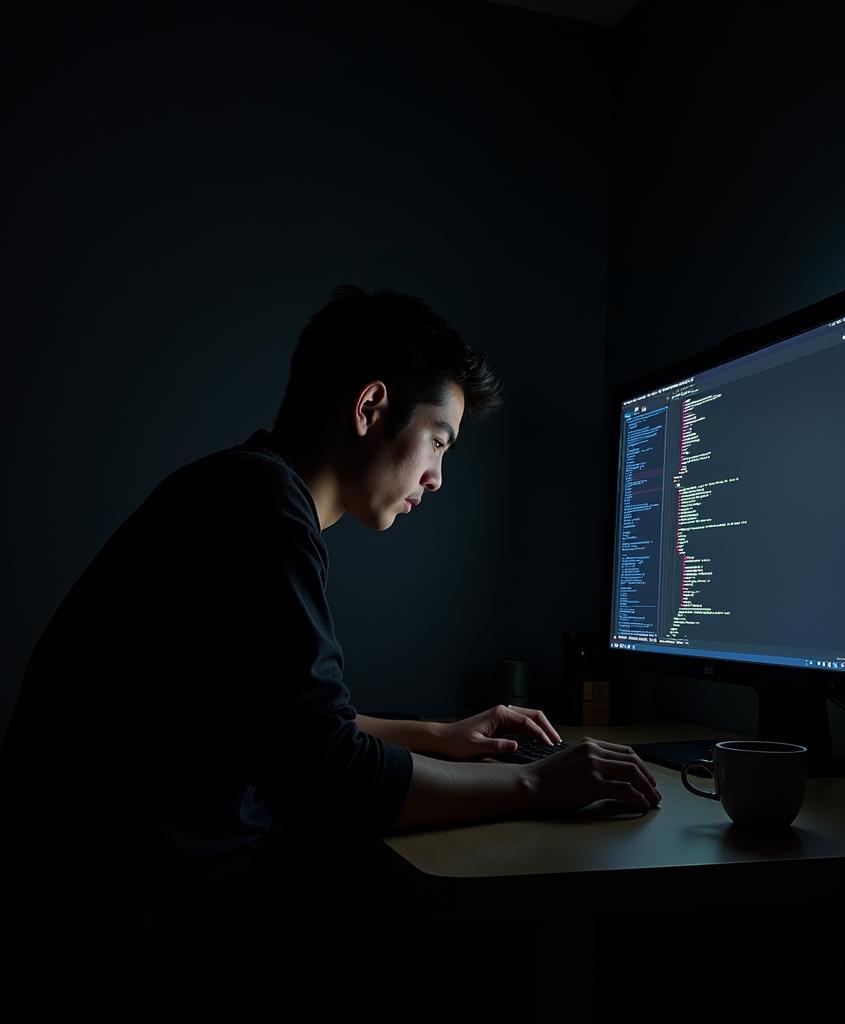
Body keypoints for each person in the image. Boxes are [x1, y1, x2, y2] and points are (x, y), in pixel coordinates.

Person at [1, 284, 662, 977]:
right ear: (371, 406)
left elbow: (285, 727)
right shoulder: (262, 508)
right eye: (438, 442)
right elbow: (330, 774)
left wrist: (441, 736)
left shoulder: (241, 489)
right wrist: (537, 787)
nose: (437, 478)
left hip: (112, 889)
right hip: (134, 915)